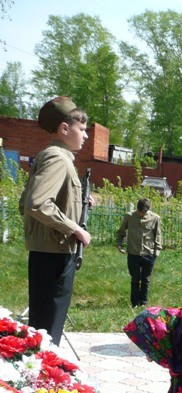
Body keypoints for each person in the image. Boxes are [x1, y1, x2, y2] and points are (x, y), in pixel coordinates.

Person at [17, 96, 92, 346]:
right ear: (64, 128)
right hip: (55, 255)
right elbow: (38, 204)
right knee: (48, 334)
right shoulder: (58, 158)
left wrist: (77, 202)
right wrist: (76, 230)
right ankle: (45, 382)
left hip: (46, 253)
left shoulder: (48, 155)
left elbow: (25, 203)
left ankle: (40, 379)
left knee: (42, 330)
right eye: (82, 129)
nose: (85, 136)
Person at [116, 197, 162, 306]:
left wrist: (156, 253)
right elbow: (121, 231)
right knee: (135, 279)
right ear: (137, 209)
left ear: (148, 210)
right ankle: (134, 303)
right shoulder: (129, 216)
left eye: (144, 212)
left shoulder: (155, 218)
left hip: (149, 254)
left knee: (145, 280)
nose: (141, 214)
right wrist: (119, 244)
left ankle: (143, 303)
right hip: (133, 254)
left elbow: (158, 235)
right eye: (139, 211)